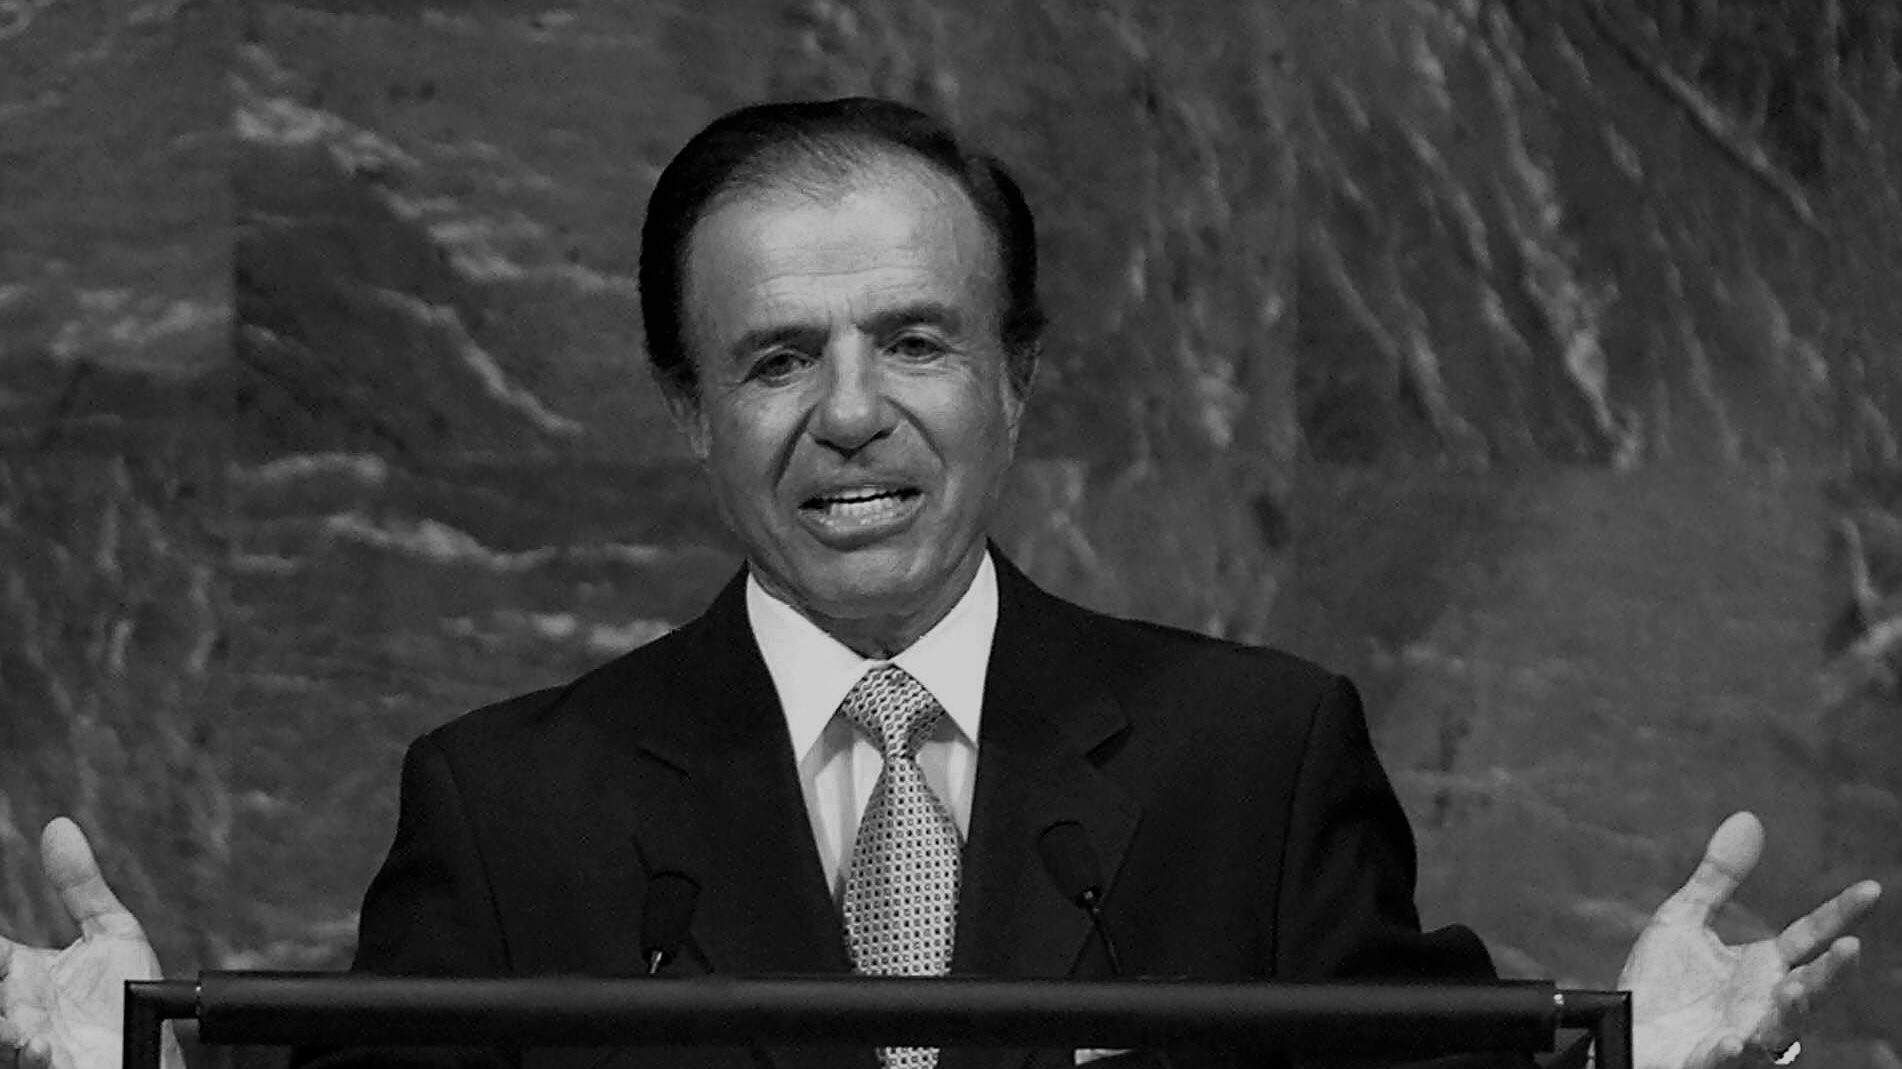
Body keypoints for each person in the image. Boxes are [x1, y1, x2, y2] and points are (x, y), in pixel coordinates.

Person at [0, 97, 1883, 1069]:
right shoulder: (509, 805)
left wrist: (1633, 1055)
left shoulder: (1253, 756)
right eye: (775, 359)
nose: (849, 414)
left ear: (1013, 378)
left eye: (913, 340)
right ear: (689, 411)